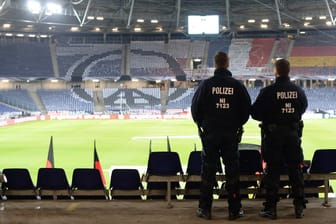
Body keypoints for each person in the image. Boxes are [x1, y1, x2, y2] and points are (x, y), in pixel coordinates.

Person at [191, 51, 251, 220]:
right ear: (228, 64)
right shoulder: (237, 86)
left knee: (208, 172)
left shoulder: (206, 85)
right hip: (231, 134)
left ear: (215, 64)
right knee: (233, 172)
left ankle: (205, 209)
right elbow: (246, 110)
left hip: (210, 134)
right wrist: (236, 124)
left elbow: (195, 110)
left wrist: (204, 124)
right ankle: (234, 209)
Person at [251, 58, 308, 219]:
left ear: (276, 71)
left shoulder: (268, 91)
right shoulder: (298, 90)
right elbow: (303, 107)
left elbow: (254, 113)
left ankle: (271, 208)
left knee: (273, 171)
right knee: (295, 170)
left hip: (273, 135)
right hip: (292, 135)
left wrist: (270, 117)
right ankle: (299, 207)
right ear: (288, 71)